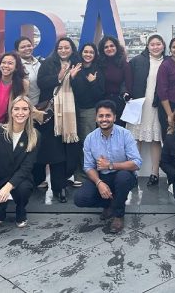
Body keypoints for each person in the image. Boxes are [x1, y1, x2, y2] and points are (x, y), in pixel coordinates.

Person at [74, 100, 142, 234]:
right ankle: (109, 205)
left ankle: (118, 215)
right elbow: (88, 166)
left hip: (122, 175)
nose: (104, 119)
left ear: (114, 117)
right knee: (80, 198)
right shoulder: (90, 139)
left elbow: (136, 163)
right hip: (102, 177)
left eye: (108, 115)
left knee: (122, 178)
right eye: (101, 116)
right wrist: (99, 183)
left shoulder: (125, 134)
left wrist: (110, 165)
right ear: (96, 118)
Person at [34, 37, 82, 202]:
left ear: (72, 49)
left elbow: (83, 89)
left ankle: (64, 181)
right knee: (54, 151)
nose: (63, 50)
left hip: (71, 115)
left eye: (66, 47)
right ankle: (57, 187)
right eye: (60, 48)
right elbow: (41, 83)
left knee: (69, 150)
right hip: (51, 114)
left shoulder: (77, 62)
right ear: (56, 49)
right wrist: (59, 77)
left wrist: (73, 78)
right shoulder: (48, 63)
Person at [0, 96, 39, 227]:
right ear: (11, 111)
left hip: (19, 179)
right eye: (16, 109)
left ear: (30, 112)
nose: (20, 113)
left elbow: (27, 167)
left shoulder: (35, 135)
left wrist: (8, 187)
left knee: (23, 189)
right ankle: (0, 210)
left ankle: (21, 209)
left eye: (25, 109)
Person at [127, 34, 166, 186]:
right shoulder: (137, 60)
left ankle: (154, 173)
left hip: (158, 105)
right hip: (139, 104)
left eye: (158, 44)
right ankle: (133, 172)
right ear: (147, 46)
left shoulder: (168, 62)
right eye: (152, 44)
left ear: (163, 45)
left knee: (156, 139)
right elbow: (128, 81)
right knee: (136, 139)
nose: (155, 47)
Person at [70, 42, 106, 185]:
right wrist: (72, 78)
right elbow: (74, 92)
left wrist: (92, 82)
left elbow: (100, 93)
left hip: (89, 110)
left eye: (91, 52)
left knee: (86, 143)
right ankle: (78, 173)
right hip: (73, 110)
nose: (88, 54)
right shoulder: (76, 68)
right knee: (75, 143)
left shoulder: (98, 70)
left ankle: (87, 174)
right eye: (85, 51)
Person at [97, 35, 133, 124]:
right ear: (102, 50)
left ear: (117, 47)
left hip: (118, 104)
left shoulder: (124, 64)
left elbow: (129, 85)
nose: (109, 48)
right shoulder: (99, 64)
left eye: (112, 46)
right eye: (106, 47)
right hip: (101, 102)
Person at [15, 36, 43, 106]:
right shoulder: (16, 67)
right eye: (23, 47)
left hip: (43, 105)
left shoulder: (41, 62)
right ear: (17, 51)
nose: (27, 48)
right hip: (25, 107)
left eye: (29, 46)